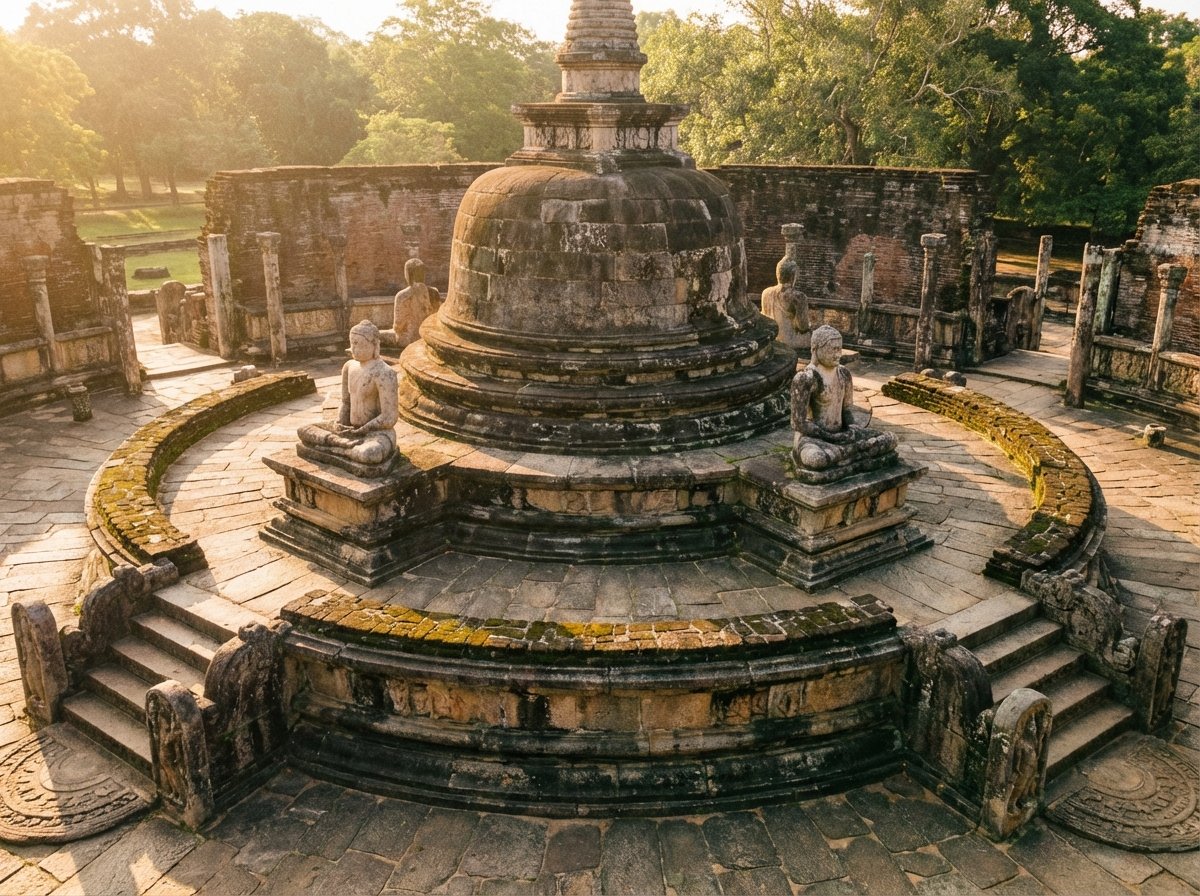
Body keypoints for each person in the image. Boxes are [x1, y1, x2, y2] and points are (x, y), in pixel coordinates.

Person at [791, 325, 896, 476]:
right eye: (832, 349)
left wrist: (852, 428)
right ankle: (853, 454)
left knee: (890, 439)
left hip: (842, 435)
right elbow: (798, 423)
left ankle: (843, 454)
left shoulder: (844, 374)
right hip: (814, 439)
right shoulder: (805, 379)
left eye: (839, 349)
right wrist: (830, 436)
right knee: (816, 459)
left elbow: (846, 410)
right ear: (816, 349)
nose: (837, 354)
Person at [298, 320, 397, 467]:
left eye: (359, 344)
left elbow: (389, 417)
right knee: (304, 430)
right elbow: (346, 402)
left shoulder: (384, 373)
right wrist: (340, 423)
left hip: (376, 433)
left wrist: (364, 429)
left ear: (374, 345)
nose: (354, 349)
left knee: (369, 454)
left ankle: (340, 448)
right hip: (349, 429)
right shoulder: (349, 367)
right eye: (352, 343)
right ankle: (340, 443)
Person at [381, 257, 441, 349]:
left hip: (408, 339)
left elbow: (398, 327)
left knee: (376, 335)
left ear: (408, 274)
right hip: (429, 337)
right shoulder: (434, 292)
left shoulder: (402, 296)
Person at [761, 257, 810, 349]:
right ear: (793, 276)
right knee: (815, 336)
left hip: (772, 338)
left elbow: (764, 319)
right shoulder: (798, 296)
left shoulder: (766, 293)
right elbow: (803, 327)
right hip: (790, 340)